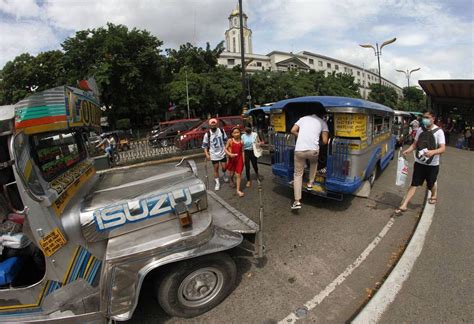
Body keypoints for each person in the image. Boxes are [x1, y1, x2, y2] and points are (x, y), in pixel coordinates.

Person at [395, 110, 446, 215]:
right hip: (419, 162)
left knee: (430, 183)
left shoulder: (439, 132)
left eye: (427, 117)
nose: (425, 119)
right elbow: (415, 144)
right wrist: (408, 150)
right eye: (424, 117)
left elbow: (442, 149)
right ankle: (404, 204)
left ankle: (434, 194)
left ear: (433, 118)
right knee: (414, 184)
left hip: (432, 164)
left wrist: (432, 152)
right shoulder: (420, 130)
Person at [290, 112, 329, 210]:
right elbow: (325, 141)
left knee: (298, 174)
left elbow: (293, 130)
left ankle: (297, 201)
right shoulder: (322, 122)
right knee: (314, 163)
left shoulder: (302, 118)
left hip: (299, 150)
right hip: (313, 150)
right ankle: (310, 184)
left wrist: (301, 136)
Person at [202, 118, 229, 191]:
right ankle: (217, 183)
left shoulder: (221, 131)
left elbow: (226, 140)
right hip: (213, 154)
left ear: (216, 124)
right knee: (216, 168)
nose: (213, 124)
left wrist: (226, 150)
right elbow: (204, 146)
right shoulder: (207, 134)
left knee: (224, 167)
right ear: (209, 125)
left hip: (222, 152)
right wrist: (207, 155)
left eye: (214, 123)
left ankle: (224, 174)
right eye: (211, 123)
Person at [225, 127, 245, 197]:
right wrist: (229, 154)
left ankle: (238, 190)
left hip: (239, 159)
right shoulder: (230, 140)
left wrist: (243, 160)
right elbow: (225, 148)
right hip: (232, 159)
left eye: (238, 132)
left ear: (240, 133)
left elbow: (242, 151)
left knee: (238, 174)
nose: (236, 134)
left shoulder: (242, 141)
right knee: (232, 173)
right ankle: (231, 179)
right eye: (235, 133)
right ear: (232, 134)